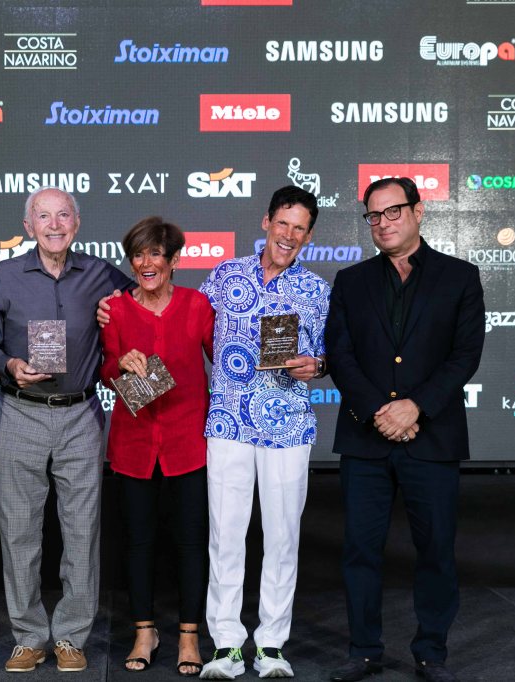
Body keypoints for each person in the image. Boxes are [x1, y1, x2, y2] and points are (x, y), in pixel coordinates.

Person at [325, 177, 485, 682]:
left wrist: (416, 407)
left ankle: (431, 652)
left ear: (418, 212)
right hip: (365, 439)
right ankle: (363, 650)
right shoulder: (350, 281)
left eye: (393, 211)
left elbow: (465, 356)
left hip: (432, 437)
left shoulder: (461, 277)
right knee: (360, 551)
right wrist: (381, 411)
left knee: (436, 550)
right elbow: (341, 356)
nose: (383, 223)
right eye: (374, 215)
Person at [0, 187, 132, 673]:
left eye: (63, 214)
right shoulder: (2, 275)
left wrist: (121, 315)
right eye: (43, 216)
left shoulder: (103, 274)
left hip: (81, 414)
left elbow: (146, 307)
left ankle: (70, 636)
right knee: (18, 531)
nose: (54, 224)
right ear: (28, 227)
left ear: (77, 223)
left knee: (82, 531)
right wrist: (8, 364)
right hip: (19, 411)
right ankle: (28, 637)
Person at [198, 186, 330, 680]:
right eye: (283, 223)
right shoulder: (225, 275)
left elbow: (332, 356)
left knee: (282, 538)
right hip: (228, 422)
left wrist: (317, 366)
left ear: (308, 236)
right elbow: (186, 325)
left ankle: (271, 644)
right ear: (266, 222)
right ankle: (227, 644)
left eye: (300, 228)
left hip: (288, 426)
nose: (289, 235)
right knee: (225, 536)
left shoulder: (317, 291)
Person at [100, 217, 215, 676]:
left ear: (174, 260)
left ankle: (189, 635)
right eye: (138, 255)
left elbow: (223, 358)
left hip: (188, 442)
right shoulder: (115, 309)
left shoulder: (197, 304)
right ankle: (144, 631)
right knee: (138, 542)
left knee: (191, 542)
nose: (146, 263)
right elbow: (106, 368)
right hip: (134, 443)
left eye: (155, 254)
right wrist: (119, 365)